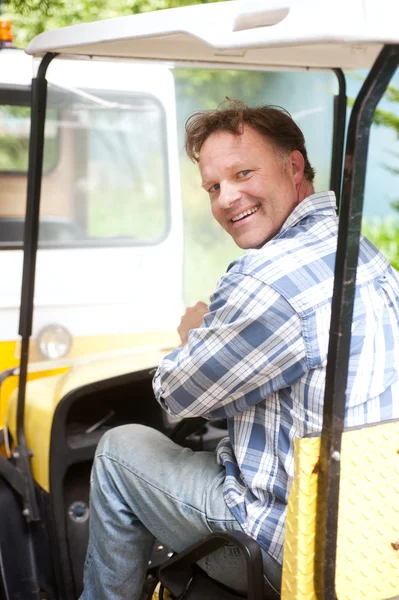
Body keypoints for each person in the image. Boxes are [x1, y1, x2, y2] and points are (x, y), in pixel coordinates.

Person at [80, 101, 399, 600]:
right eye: (213, 187)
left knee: (120, 450)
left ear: (294, 166)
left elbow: (177, 395)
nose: (227, 198)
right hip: (374, 537)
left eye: (242, 173)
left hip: (295, 544)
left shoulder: (268, 280)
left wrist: (194, 332)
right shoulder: (357, 248)